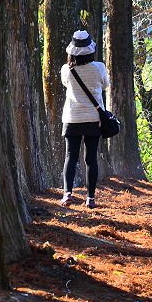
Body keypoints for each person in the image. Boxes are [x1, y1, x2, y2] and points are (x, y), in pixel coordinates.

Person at [58, 29, 109, 209]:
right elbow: (105, 85)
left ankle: (67, 194)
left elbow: (66, 84)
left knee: (70, 156)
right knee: (91, 159)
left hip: (72, 118)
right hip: (93, 118)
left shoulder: (66, 70)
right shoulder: (99, 67)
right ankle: (91, 198)